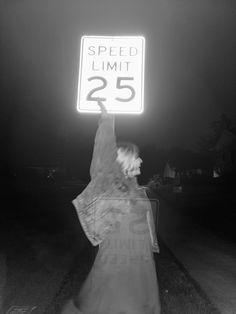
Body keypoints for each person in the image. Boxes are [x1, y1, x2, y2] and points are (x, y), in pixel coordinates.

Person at [61, 102, 161, 314]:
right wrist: (108, 120)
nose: (141, 159)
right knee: (116, 304)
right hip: (117, 262)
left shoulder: (136, 189)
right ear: (124, 161)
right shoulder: (110, 184)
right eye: (137, 156)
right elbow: (103, 154)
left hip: (141, 263)